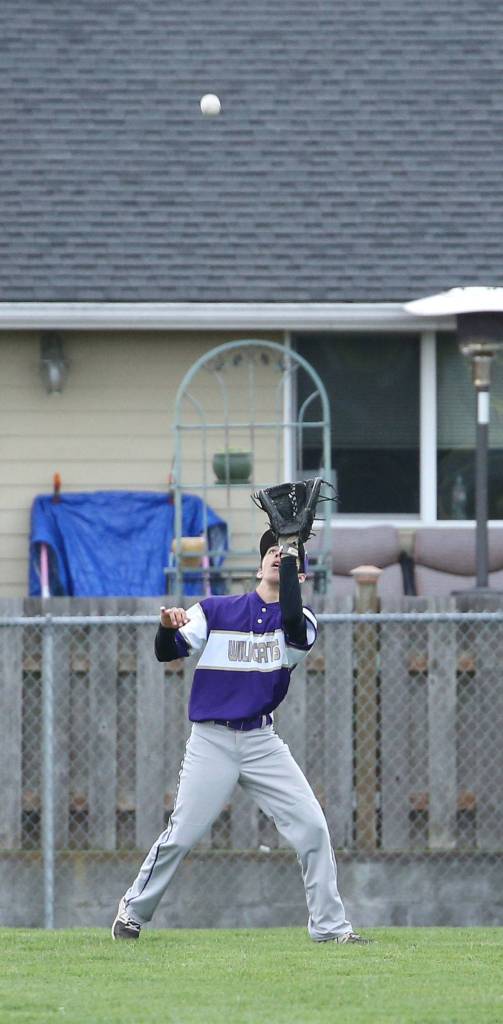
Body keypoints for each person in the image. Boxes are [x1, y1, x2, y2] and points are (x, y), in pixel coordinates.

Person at [112, 529, 369, 944]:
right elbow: (167, 651)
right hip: (211, 740)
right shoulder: (216, 610)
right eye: (271, 551)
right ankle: (132, 912)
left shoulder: (303, 623)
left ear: (299, 576)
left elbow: (290, 620)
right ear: (257, 564)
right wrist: (165, 627)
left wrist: (290, 557)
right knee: (183, 834)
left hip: (261, 743)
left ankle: (330, 928)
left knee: (312, 827)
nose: (277, 557)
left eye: (286, 557)